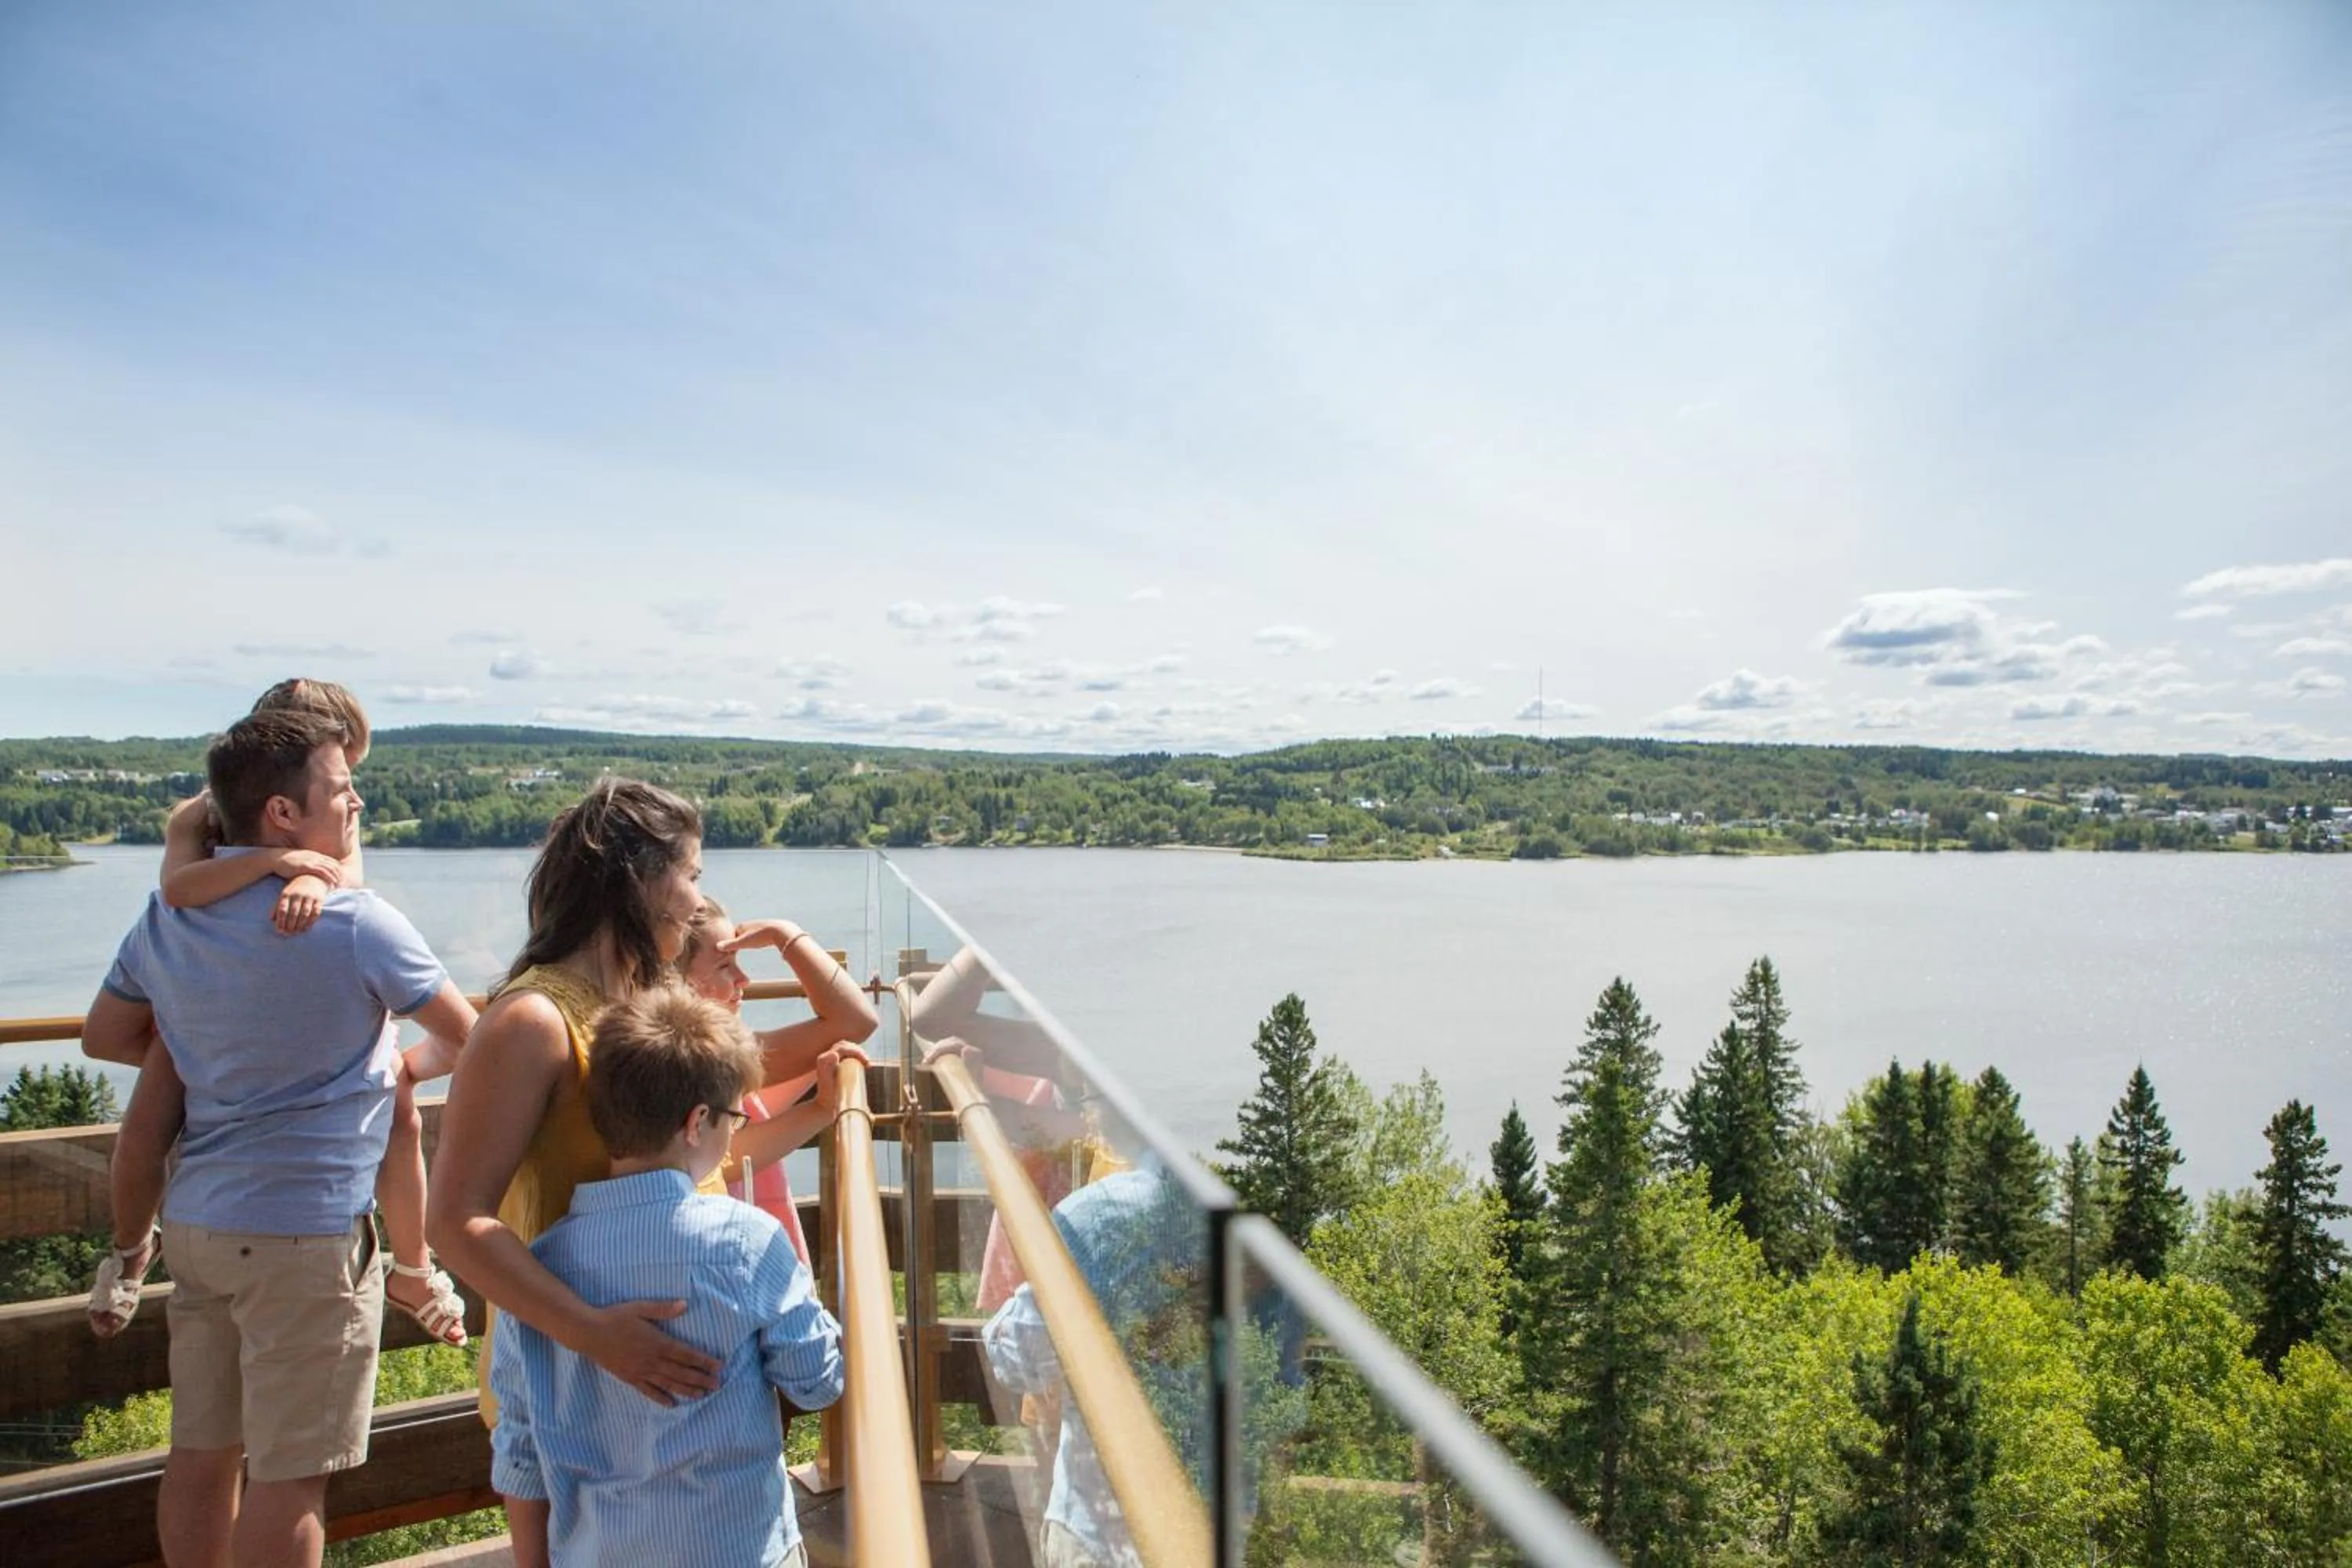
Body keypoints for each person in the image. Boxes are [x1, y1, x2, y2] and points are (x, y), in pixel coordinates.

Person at [80, 706, 477, 1568]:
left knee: (201, 1452)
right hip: (308, 1236)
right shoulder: (357, 921)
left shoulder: (168, 921)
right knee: (292, 1479)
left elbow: (105, 1034)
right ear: (284, 815)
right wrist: (397, 1071)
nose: (357, 800)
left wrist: (210, 1034)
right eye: (341, 789)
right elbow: (475, 1040)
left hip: (198, 1228)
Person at [87, 679, 467, 1348]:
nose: (352, 792)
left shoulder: (330, 815)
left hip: (246, 1012)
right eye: (338, 765)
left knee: (399, 1105)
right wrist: (281, 862)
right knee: (145, 1126)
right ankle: (128, 1250)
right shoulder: (204, 816)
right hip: (225, 1011)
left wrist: (310, 874)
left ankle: (413, 1265)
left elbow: (342, 880)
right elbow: (178, 888)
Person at [425, 778, 728, 1567]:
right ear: (638, 877)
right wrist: (598, 1336)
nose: (699, 899)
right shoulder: (532, 1022)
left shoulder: (650, 998)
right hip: (571, 1379)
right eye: (690, 872)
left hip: (668, 1381)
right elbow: (453, 1220)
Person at [488, 988, 844, 1568]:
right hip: (739, 1552)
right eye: (734, 1116)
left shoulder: (537, 1271)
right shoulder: (744, 1244)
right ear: (698, 1121)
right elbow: (817, 1382)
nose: (734, 1132)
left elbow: (521, 1448)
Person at [676, 897, 877, 1262]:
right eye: (725, 966)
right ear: (680, 982)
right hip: (730, 1252)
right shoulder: (709, 1061)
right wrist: (786, 935)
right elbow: (855, 1020)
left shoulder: (727, 1054)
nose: (744, 979)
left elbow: (853, 1023)